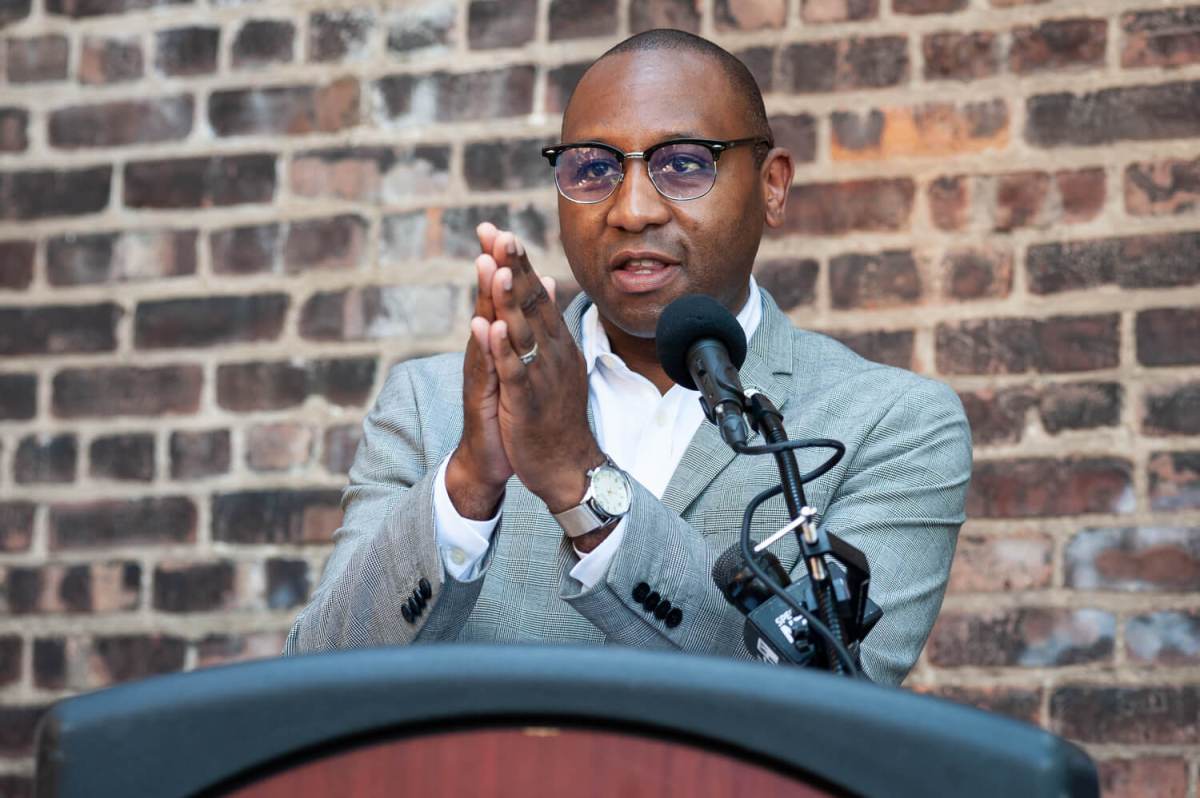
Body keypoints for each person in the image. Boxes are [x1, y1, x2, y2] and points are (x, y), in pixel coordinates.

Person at [283, 29, 972, 686]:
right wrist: (467, 486)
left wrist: (583, 482)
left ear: (772, 185)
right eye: (593, 168)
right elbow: (315, 682)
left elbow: (838, 709)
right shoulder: (432, 408)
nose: (633, 208)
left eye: (683, 163)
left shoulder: (891, 423)